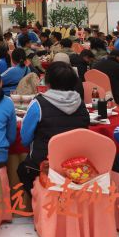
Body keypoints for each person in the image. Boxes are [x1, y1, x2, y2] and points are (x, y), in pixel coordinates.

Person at [17, 62, 90, 191]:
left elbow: (25, 139)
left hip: (44, 166)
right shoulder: (80, 103)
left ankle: (40, 200)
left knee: (22, 170)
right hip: (75, 166)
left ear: (48, 81)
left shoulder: (38, 103)